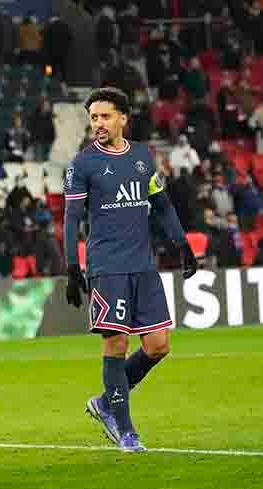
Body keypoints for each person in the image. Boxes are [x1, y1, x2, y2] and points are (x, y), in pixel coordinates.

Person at [63, 87, 198, 453]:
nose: (98, 124)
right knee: (117, 343)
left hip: (143, 266)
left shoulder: (142, 156)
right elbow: (72, 216)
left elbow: (163, 205)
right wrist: (72, 266)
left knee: (158, 345)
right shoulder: (83, 163)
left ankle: (107, 402)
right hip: (107, 267)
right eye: (93, 117)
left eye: (105, 116)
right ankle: (125, 431)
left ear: (123, 117)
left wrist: (182, 246)